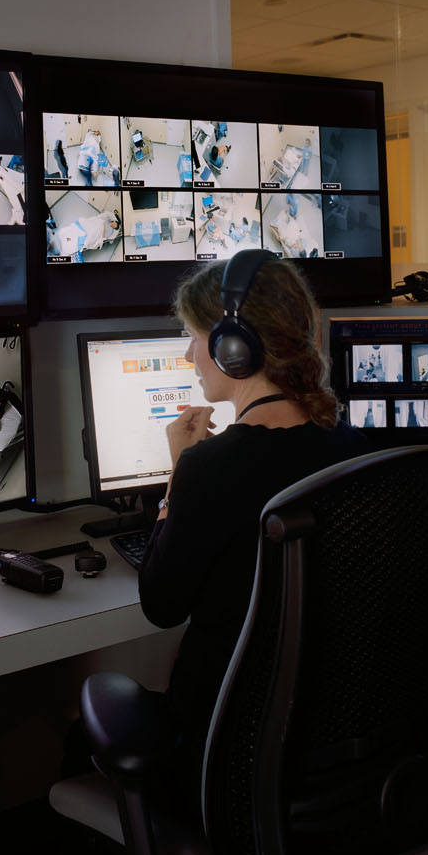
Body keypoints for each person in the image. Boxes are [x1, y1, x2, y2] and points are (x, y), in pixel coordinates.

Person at [136, 253, 361, 815]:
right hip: (335, 751)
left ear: (233, 348)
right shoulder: (353, 451)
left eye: (193, 338)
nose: (189, 355)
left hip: (223, 757)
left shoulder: (212, 466)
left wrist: (176, 476)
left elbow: (160, 604)